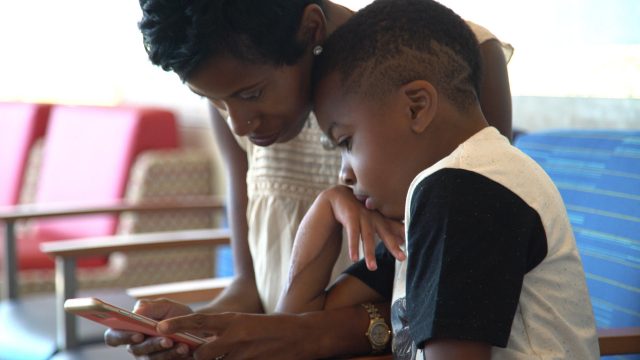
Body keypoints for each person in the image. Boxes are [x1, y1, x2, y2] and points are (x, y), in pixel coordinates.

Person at [156, 0, 600, 359]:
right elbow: (296, 322)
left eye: (346, 142)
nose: (344, 172)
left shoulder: (463, 190)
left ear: (416, 108)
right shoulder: (416, 209)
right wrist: (327, 207)